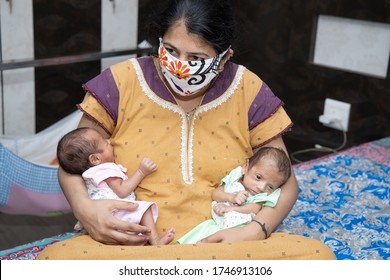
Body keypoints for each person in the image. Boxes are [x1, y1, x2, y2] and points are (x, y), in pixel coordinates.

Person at [38, 0, 335, 259]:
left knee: (317, 258)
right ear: (158, 42)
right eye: (170, 50)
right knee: (53, 261)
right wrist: (84, 209)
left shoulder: (249, 90)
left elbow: (287, 182)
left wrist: (256, 230)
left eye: (195, 59)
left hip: (222, 241)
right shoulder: (119, 82)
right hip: (132, 244)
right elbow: (71, 163)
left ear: (224, 58)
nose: (180, 67)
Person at [56, 127, 175, 245]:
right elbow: (122, 190)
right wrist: (141, 172)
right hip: (117, 214)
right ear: (95, 159)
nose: (109, 141)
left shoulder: (89, 174)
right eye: (104, 141)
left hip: (107, 218)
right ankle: (155, 241)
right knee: (145, 209)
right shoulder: (105, 170)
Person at [177, 146, 291, 244]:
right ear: (246, 167)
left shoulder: (261, 196)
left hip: (240, 230)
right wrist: (231, 197)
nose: (261, 187)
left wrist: (230, 208)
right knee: (196, 241)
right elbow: (216, 193)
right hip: (216, 224)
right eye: (258, 177)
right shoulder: (234, 178)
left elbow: (255, 208)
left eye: (270, 186)